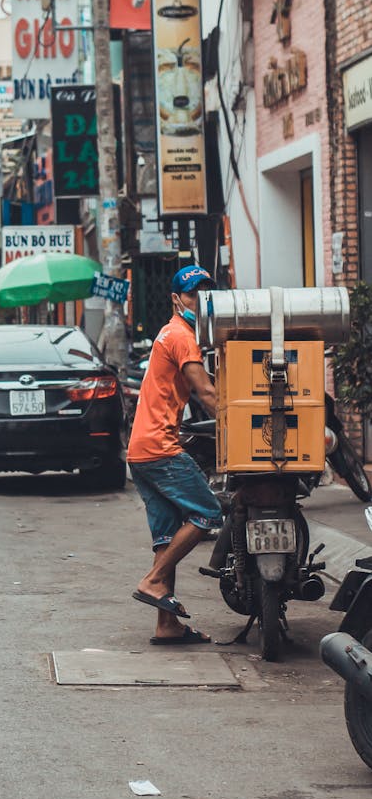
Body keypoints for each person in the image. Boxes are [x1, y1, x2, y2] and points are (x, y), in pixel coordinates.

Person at [127, 264, 222, 645]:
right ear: (175, 299)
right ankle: (152, 582)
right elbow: (206, 391)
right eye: (191, 294)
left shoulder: (170, 333)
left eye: (203, 294)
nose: (197, 301)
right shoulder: (182, 335)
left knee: (166, 537)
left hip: (140, 451)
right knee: (208, 512)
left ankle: (166, 624)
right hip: (160, 448)